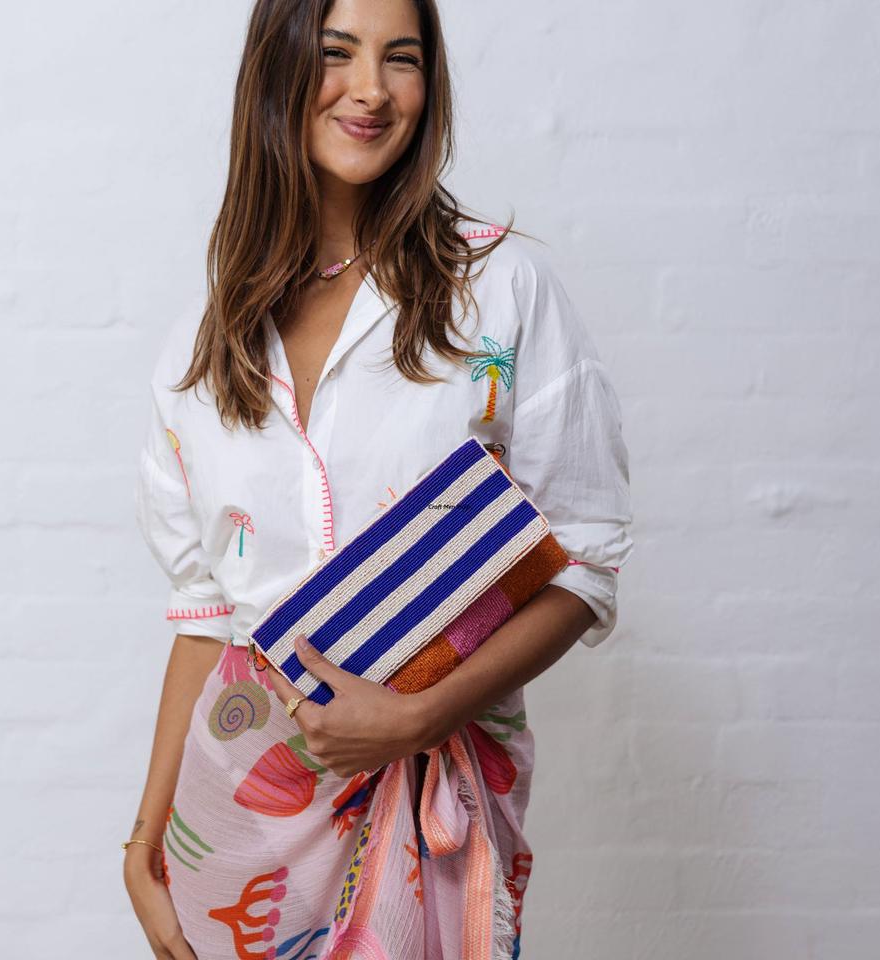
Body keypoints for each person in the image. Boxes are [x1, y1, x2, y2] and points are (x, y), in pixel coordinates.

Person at [123, 1, 634, 957]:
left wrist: (418, 718)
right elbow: (207, 614)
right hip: (239, 818)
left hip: (436, 795)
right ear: (277, 69)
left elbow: (584, 559)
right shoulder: (204, 341)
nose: (370, 90)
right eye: (336, 53)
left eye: (402, 59)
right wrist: (144, 845)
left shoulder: (499, 291)